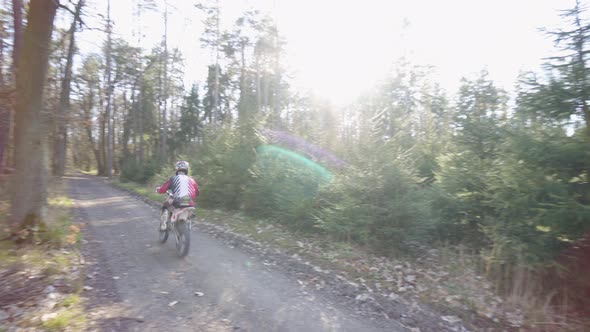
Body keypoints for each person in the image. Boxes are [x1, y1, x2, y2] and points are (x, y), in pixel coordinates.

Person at [156, 160, 199, 230]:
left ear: (177, 169)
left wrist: (159, 190)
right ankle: (187, 219)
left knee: (166, 204)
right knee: (189, 208)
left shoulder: (173, 179)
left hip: (177, 201)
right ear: (187, 169)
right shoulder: (192, 180)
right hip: (190, 203)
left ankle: (164, 224)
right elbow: (197, 193)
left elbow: (163, 189)